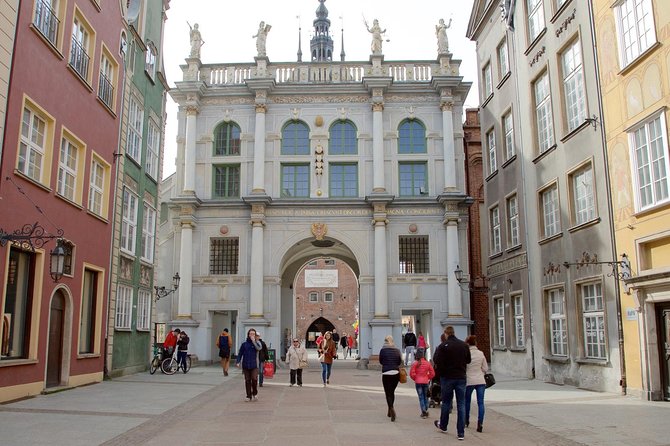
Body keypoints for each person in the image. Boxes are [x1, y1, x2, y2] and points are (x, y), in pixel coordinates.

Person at [432, 326, 471, 440]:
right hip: (460, 377)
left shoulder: (443, 346)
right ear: (454, 333)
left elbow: (437, 361)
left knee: (446, 403)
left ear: (446, 334)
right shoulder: (463, 345)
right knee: (461, 404)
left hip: (447, 378)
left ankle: (443, 425)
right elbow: (468, 360)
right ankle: (461, 433)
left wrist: (441, 374)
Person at [465, 335, 488, 433]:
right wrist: (480, 373)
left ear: (468, 343)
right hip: (480, 380)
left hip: (469, 380)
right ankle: (480, 423)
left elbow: (464, 367)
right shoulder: (481, 353)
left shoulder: (466, 354)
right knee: (481, 402)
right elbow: (485, 368)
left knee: (467, 401)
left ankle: (466, 421)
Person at [378, 335, 402, 422]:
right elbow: (399, 361)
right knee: (392, 392)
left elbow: (380, 361)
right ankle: (390, 409)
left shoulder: (383, 350)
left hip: (386, 373)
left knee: (387, 392)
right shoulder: (397, 350)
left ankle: (391, 408)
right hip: (395, 373)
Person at [236, 328, 263, 401]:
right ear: (248, 335)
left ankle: (254, 392)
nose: (252, 335)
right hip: (246, 364)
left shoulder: (257, 343)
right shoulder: (244, 344)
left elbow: (259, 348)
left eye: (253, 334)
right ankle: (248, 395)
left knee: (254, 379)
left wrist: (254, 341)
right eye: (250, 334)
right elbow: (240, 353)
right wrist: (238, 361)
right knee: (247, 380)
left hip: (254, 365)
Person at [410, 348, 435, 418]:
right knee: (426, 396)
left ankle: (423, 411)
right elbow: (432, 373)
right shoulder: (428, 363)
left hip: (418, 382)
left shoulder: (415, 364)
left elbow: (412, 373)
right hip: (425, 381)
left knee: (421, 397)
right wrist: (428, 377)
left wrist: (415, 378)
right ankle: (426, 409)